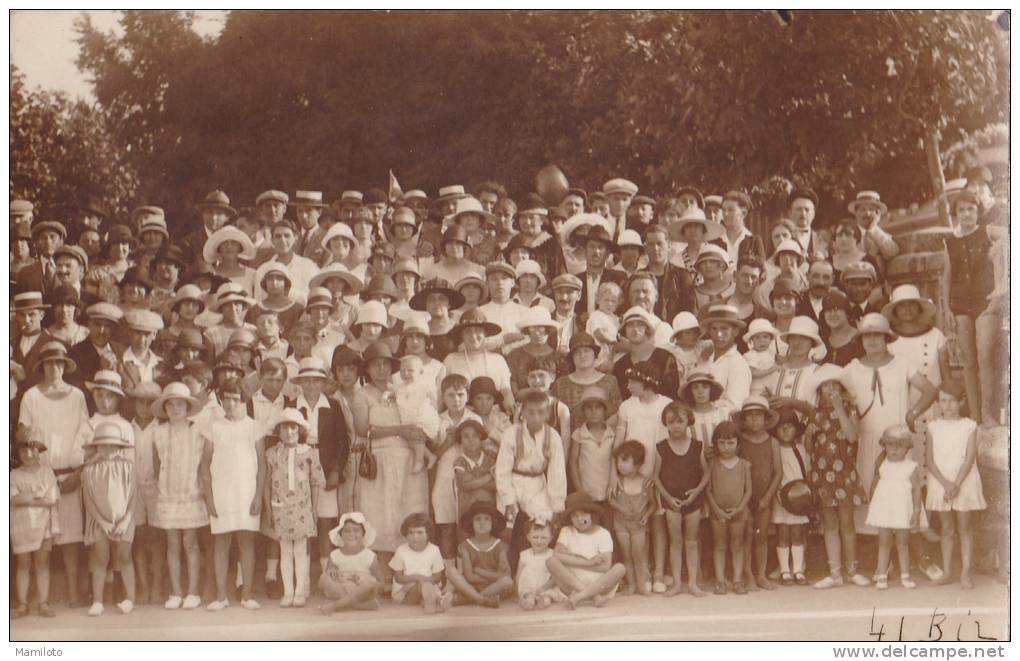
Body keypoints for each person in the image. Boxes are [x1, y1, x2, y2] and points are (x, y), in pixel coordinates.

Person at [841, 313, 936, 535]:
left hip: (897, 443)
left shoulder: (902, 365)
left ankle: (904, 549)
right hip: (867, 441)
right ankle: (874, 550)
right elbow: (832, 392)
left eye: (877, 335)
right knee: (870, 492)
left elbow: (930, 390)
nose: (872, 341)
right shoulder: (852, 369)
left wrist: (912, 414)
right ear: (861, 341)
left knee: (901, 492)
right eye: (867, 336)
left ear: (886, 338)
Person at [18, 341, 90, 608]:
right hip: (40, 476)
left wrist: (79, 472)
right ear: (42, 366)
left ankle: (72, 593)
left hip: (69, 476)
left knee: (70, 539)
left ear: (65, 366)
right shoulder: (31, 397)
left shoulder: (77, 396)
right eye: (49, 363)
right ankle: (37, 599)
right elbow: (23, 435)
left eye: (59, 363)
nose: (54, 368)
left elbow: (85, 435)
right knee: (39, 540)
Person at [352, 342, 430, 559]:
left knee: (409, 510)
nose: (381, 369)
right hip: (380, 458)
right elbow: (361, 429)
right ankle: (384, 572)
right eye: (375, 365)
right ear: (366, 369)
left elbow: (419, 415)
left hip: (408, 458)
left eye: (385, 364)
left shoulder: (402, 390)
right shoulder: (362, 395)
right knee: (380, 514)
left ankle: (412, 566)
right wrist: (399, 429)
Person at [199, 380, 265, 611]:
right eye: (226, 398)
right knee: (221, 544)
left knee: (246, 543)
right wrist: (209, 498)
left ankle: (247, 595)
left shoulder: (253, 426)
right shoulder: (213, 426)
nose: (230, 403)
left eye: (235, 399)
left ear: (243, 401)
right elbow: (205, 465)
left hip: (246, 493)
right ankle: (220, 596)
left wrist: (258, 496)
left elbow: (262, 465)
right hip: (221, 494)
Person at [804, 364, 869, 589]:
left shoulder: (851, 410)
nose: (830, 390)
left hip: (844, 474)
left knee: (847, 524)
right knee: (829, 524)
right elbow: (809, 448)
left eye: (834, 385)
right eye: (825, 386)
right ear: (820, 391)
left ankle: (852, 571)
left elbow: (852, 437)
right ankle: (835, 574)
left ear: (841, 390)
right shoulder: (816, 414)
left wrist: (839, 408)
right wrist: (808, 435)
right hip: (823, 475)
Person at [495, 388, 567, 572]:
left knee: (544, 522)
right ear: (522, 411)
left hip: (537, 484)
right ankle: (505, 572)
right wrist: (509, 500)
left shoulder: (553, 436)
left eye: (541, 412)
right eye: (531, 412)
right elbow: (502, 470)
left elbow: (557, 473)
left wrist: (557, 505)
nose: (536, 417)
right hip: (513, 481)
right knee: (506, 525)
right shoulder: (511, 433)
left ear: (548, 412)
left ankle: (540, 571)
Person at [942, 190, 998, 427]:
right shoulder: (950, 242)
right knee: (968, 360)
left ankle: (987, 412)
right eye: (961, 210)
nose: (966, 214)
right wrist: (946, 309)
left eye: (971, 209)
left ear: (978, 212)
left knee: (984, 354)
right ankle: (974, 413)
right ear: (955, 214)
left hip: (986, 300)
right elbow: (947, 277)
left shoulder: (987, 233)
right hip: (961, 303)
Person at [150, 382, 207, 610]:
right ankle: (175, 592)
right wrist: (166, 489)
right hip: (168, 495)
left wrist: (196, 488)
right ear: (165, 409)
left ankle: (193, 592)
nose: (175, 409)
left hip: (191, 493)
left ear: (187, 407)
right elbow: (157, 466)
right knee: (172, 544)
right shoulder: (159, 433)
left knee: (191, 543)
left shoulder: (197, 432)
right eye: (170, 405)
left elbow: (202, 463)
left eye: (180, 404)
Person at [925, 381, 985, 589]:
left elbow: (969, 459)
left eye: (951, 401)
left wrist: (956, 484)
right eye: (943, 401)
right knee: (947, 528)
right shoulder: (933, 426)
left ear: (961, 402)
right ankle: (947, 571)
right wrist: (945, 484)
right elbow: (929, 461)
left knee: (964, 528)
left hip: (964, 481)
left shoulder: (969, 425)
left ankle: (966, 573)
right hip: (941, 481)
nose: (947, 405)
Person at [262, 408, 323, 607]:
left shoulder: (310, 453)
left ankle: (300, 591)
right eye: (284, 428)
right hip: (280, 508)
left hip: (302, 508)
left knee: (300, 551)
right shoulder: (271, 454)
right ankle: (288, 591)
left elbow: (315, 482)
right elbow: (267, 483)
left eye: (293, 427)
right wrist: (269, 510)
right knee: (285, 550)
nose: (289, 432)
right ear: (278, 431)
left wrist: (314, 509)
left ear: (300, 430)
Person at [81, 421, 137, 616]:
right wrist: (102, 521)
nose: (108, 448)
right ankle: (98, 601)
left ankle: (129, 599)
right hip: (99, 521)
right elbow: (88, 500)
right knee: (100, 558)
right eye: (103, 444)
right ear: (96, 446)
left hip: (123, 521)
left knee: (124, 557)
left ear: (120, 446)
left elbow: (133, 497)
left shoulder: (128, 467)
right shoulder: (89, 470)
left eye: (113, 444)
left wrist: (125, 520)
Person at [654, 401, 709, 597]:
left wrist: (696, 493)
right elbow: (655, 477)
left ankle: (693, 583)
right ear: (665, 424)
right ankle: (677, 583)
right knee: (675, 542)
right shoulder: (661, 447)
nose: (675, 426)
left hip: (692, 502)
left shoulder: (697, 446)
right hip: (672, 503)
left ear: (688, 422)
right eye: (671, 422)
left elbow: (706, 473)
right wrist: (668, 498)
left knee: (692, 541)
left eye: (680, 421)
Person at [10, 426, 60, 619]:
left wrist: (27, 498)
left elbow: (51, 499)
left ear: (40, 451)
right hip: (21, 526)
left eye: (32, 449)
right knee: (23, 564)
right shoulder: (14, 475)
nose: (28, 453)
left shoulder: (47, 473)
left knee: (42, 563)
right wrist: (38, 495)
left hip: (44, 527)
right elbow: (14, 500)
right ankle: (22, 603)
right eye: (23, 449)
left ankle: (43, 603)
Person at [733, 395, 781, 591]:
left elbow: (778, 472)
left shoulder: (773, 442)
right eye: (750, 416)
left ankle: (761, 575)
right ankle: (747, 574)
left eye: (758, 416)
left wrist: (767, 497)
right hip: (743, 497)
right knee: (745, 536)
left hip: (764, 497)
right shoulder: (739, 442)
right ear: (743, 419)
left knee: (761, 537)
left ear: (765, 419)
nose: (754, 420)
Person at [547, 492, 627, 609]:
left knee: (620, 568)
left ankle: (580, 597)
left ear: (591, 514)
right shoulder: (566, 531)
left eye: (583, 514)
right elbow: (557, 556)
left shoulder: (603, 533)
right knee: (551, 561)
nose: (580, 519)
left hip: (599, 583)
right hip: (572, 582)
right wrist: (588, 562)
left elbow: (605, 566)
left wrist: (571, 561)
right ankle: (593, 596)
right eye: (574, 516)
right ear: (570, 519)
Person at [865, 426, 922, 590]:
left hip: (902, 510)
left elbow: (916, 489)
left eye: (900, 445)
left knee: (902, 543)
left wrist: (916, 511)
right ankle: (881, 574)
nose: (895, 449)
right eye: (890, 445)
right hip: (885, 509)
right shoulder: (882, 465)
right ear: (884, 446)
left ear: (907, 448)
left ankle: (906, 575)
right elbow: (875, 485)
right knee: (884, 542)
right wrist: (873, 505)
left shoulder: (911, 466)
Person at [431, 373, 481, 559]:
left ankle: (465, 571)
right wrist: (449, 441)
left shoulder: (475, 419)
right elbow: (433, 455)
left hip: (469, 478)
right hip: (444, 476)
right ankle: (449, 573)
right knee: (446, 526)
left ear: (467, 396)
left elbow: (479, 450)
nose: (456, 400)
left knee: (467, 526)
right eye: (451, 395)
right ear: (443, 397)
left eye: (460, 394)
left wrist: (463, 438)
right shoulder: (437, 419)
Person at [706, 422, 752, 595]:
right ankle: (720, 581)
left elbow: (749, 490)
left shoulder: (744, 465)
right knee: (719, 545)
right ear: (716, 444)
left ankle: (737, 580)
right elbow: (708, 490)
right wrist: (716, 509)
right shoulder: (712, 464)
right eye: (722, 443)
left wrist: (740, 508)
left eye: (731, 443)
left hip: (739, 512)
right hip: (718, 512)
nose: (726, 447)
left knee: (737, 545)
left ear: (738, 444)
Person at [443, 501, 514, 608]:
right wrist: (493, 576)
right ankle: (481, 600)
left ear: (492, 523)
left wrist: (481, 571)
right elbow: (470, 577)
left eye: (486, 519)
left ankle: (468, 599)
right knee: (450, 571)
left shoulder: (500, 546)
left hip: (494, 588)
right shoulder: (465, 546)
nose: (482, 522)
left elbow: (506, 575)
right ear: (471, 523)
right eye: (478, 519)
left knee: (507, 581)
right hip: (471, 586)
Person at [608, 441, 655, 597]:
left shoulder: (646, 482)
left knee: (638, 554)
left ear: (637, 463)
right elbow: (611, 501)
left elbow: (653, 505)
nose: (619, 465)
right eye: (618, 461)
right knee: (627, 554)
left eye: (624, 461)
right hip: (621, 523)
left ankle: (642, 585)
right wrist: (623, 509)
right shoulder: (617, 481)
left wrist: (646, 516)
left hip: (638, 525)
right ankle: (632, 585)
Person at [771, 408, 810, 586]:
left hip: (800, 499)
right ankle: (784, 569)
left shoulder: (801, 449)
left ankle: (798, 570)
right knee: (783, 532)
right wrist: (778, 493)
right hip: (780, 498)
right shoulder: (774, 449)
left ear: (796, 430)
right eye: (781, 427)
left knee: (797, 532)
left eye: (790, 427)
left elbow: (806, 473)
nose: (786, 430)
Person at [319, 512, 384, 613]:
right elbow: (328, 577)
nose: (351, 534)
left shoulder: (369, 556)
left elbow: (381, 582)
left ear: (363, 534)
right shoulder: (335, 555)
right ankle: (357, 605)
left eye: (356, 530)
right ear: (340, 534)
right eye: (347, 531)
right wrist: (331, 571)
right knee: (323, 578)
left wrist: (372, 586)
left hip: (362, 593)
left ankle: (336, 605)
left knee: (370, 583)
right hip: (341, 591)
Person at [389, 512, 449, 613]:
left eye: (419, 532)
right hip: (405, 592)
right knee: (423, 587)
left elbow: (437, 577)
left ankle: (430, 603)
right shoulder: (401, 550)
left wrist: (424, 582)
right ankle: (438, 601)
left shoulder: (434, 550)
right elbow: (398, 578)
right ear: (406, 534)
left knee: (427, 589)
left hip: (429, 588)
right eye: (411, 533)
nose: (415, 537)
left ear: (428, 534)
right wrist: (417, 578)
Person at [568, 386, 615, 507]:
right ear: (583, 411)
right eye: (589, 408)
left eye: (598, 407)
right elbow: (572, 463)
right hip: (587, 491)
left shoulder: (612, 434)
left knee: (607, 523)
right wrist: (579, 489)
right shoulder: (579, 434)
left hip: (608, 491)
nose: (593, 411)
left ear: (605, 410)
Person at [393, 355, 440, 473]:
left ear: (420, 372)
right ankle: (429, 456)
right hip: (410, 419)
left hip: (422, 418)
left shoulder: (424, 385)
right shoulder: (400, 388)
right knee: (411, 439)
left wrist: (435, 411)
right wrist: (387, 395)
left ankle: (419, 460)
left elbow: (434, 399)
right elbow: (394, 394)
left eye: (410, 370)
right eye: (402, 371)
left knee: (416, 437)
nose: (406, 373)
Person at [515, 520, 565, 610]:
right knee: (528, 594)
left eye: (543, 538)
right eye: (535, 537)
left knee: (547, 597)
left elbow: (555, 577)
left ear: (551, 538)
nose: (539, 541)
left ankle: (542, 601)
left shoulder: (552, 554)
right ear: (528, 537)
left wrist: (544, 588)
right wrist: (517, 589)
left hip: (546, 586)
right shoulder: (524, 554)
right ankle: (529, 602)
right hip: (529, 585)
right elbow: (519, 575)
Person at [452, 419, 497, 516]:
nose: (471, 440)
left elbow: (496, 486)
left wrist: (473, 481)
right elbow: (465, 485)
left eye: (475, 436)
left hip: (489, 512)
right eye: (466, 436)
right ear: (460, 440)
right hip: (466, 512)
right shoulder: (460, 462)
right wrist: (489, 476)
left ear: (481, 438)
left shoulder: (490, 459)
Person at [585, 281, 623, 366]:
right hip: (598, 357)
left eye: (613, 301)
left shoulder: (615, 318)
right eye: (606, 300)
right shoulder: (596, 315)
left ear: (618, 303)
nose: (609, 304)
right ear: (598, 300)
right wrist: (614, 342)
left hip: (611, 355)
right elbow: (599, 334)